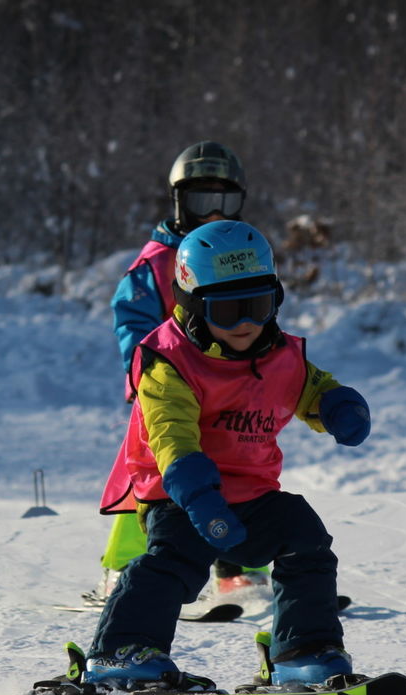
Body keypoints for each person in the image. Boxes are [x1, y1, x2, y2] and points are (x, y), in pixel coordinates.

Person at [84, 220, 371, 691]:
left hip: (252, 497)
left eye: (258, 307)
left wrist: (337, 406)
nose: (246, 325)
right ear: (193, 305)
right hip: (182, 495)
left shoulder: (278, 352)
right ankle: (122, 652)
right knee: (175, 560)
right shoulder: (167, 362)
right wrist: (199, 498)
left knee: (305, 535)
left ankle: (304, 651)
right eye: (228, 310)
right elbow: (171, 436)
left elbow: (310, 386)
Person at [96, 140, 269, 604]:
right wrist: (148, 372)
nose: (213, 213)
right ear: (178, 201)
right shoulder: (156, 263)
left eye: (225, 202)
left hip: (229, 390)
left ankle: (240, 566)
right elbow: (132, 323)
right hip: (168, 389)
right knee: (152, 478)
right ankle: (126, 567)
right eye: (200, 201)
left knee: (241, 471)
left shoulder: (240, 253)